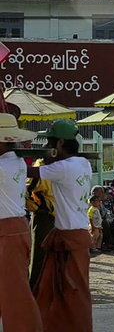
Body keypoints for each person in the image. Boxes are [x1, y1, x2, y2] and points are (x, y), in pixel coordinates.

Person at [27, 118, 93, 331]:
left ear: (60, 144)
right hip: (75, 234)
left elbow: (30, 173)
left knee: (73, 293)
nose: (47, 148)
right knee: (62, 290)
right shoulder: (83, 163)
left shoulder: (62, 168)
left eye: (50, 143)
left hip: (70, 237)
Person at [0, 113, 43, 332]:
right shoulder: (14, 161)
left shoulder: (3, 167)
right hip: (14, 229)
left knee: (14, 292)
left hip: (8, 232)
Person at [25, 157, 57, 290]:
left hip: (57, 216)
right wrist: (38, 208)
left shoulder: (58, 167)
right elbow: (25, 189)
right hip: (45, 217)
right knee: (40, 257)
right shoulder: (41, 167)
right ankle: (34, 291)